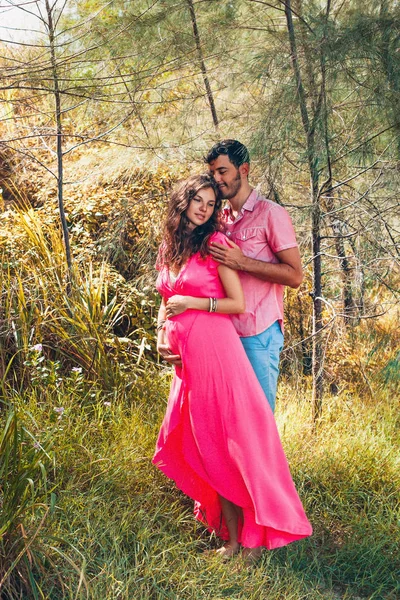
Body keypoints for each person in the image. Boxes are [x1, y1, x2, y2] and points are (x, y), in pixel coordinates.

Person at [153, 173, 312, 563]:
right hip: (185, 360)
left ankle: (248, 539)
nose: (205, 208)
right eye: (198, 200)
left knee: (227, 441)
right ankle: (229, 536)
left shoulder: (216, 243)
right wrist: (161, 332)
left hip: (215, 351)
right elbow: (166, 296)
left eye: (210, 203)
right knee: (204, 443)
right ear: (183, 201)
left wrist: (191, 304)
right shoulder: (169, 248)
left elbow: (236, 303)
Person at [205, 139, 303, 413]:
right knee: (229, 419)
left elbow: (295, 276)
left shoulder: (271, 214)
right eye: (213, 172)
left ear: (243, 169)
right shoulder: (219, 218)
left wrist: (243, 262)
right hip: (223, 332)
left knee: (258, 418)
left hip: (258, 333)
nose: (216, 179)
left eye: (222, 171)